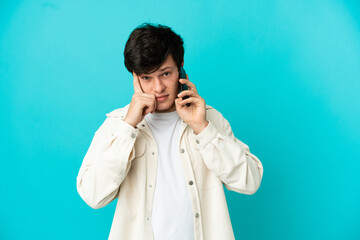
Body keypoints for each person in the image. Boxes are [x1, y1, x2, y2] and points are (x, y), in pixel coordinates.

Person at [76, 23, 264, 240]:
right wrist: (128, 128)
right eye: (146, 77)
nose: (158, 88)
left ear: (181, 68)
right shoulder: (118, 124)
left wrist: (202, 129)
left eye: (165, 74)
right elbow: (93, 196)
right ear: (135, 77)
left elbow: (250, 182)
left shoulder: (209, 119)